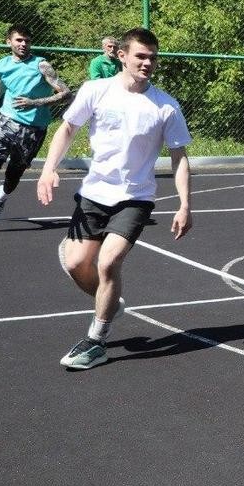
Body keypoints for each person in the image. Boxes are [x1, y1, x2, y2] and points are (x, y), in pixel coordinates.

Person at [36, 27, 193, 370]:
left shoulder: (165, 105)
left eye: (153, 57)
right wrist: (49, 169)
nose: (147, 62)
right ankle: (109, 302)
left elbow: (179, 156)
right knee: (77, 264)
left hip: (135, 198)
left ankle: (96, 340)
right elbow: (67, 129)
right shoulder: (97, 90)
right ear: (122, 55)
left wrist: (184, 204)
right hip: (93, 195)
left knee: (108, 263)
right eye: (140, 56)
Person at [0, 24, 72, 219]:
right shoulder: (2, 65)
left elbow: (66, 93)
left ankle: (0, 198)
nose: (23, 44)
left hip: (34, 129)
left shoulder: (41, 65)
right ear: (9, 42)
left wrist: (34, 102)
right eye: (19, 40)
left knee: (13, 174)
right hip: (7, 122)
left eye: (27, 41)